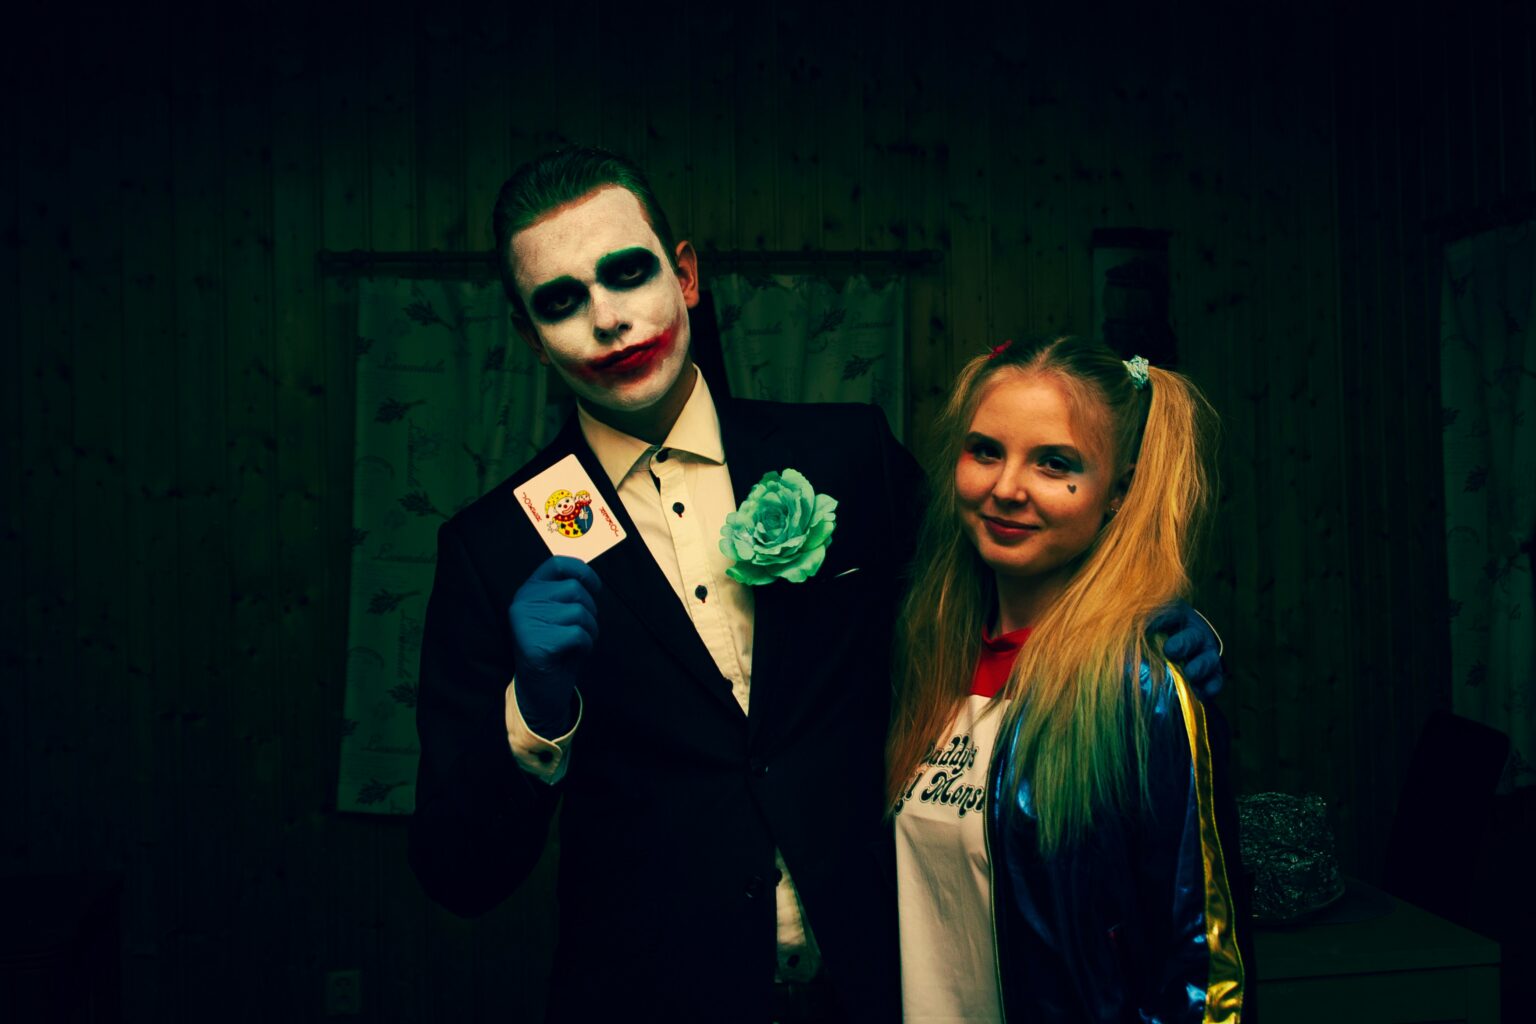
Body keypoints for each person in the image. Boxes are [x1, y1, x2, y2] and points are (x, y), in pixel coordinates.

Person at [407, 146, 1227, 1022]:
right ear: (530, 336)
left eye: (627, 273)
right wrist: (533, 714)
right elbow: (461, 876)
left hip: (882, 990)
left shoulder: (845, 454)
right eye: (562, 301)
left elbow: (997, 580)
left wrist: (1143, 622)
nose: (608, 319)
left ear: (684, 276)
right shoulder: (495, 548)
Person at [886, 336, 1252, 1022]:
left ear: (1120, 492)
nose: (1005, 488)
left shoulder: (1139, 694)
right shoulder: (923, 659)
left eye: (1055, 463)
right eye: (985, 451)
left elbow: (1199, 969)